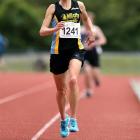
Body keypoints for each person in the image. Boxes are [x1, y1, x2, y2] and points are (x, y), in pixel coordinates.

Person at [39, 0, 95, 137]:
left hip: (76, 49)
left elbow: (87, 20)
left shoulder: (79, 5)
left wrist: (91, 32)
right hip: (58, 52)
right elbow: (42, 31)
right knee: (61, 90)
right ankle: (64, 119)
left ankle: (73, 119)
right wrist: (54, 29)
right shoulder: (53, 8)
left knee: (73, 80)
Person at [81, 12, 107, 97]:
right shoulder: (80, 29)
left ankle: (96, 79)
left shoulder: (96, 29)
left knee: (95, 74)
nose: (87, 21)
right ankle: (88, 90)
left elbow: (103, 40)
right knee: (87, 70)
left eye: (89, 19)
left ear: (92, 20)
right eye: (85, 19)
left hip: (94, 52)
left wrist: (94, 43)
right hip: (84, 52)